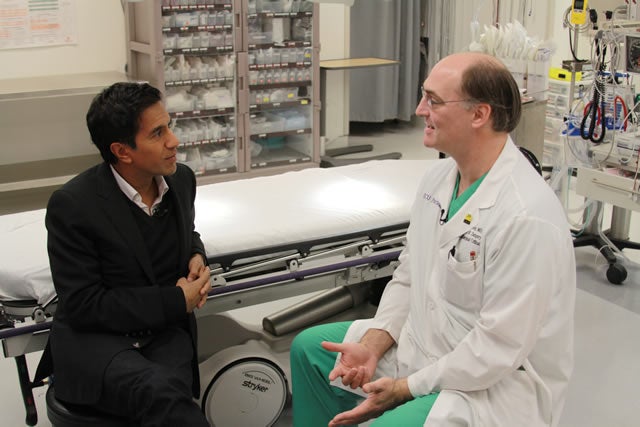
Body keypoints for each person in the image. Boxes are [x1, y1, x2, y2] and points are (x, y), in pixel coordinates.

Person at [290, 52, 576, 427]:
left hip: (489, 385)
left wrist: (407, 387)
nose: (419, 109)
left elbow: (498, 348)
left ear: (479, 115)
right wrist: (374, 344)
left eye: (434, 100)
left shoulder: (527, 217)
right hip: (425, 346)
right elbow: (410, 276)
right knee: (307, 350)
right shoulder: (437, 182)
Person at [34, 82, 212, 426]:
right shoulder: (73, 205)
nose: (174, 141)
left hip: (163, 332)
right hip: (97, 340)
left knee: (168, 393)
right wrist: (177, 300)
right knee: (160, 391)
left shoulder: (181, 181)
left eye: (169, 126)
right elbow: (85, 305)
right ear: (122, 151)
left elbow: (188, 232)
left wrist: (195, 254)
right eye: (157, 133)